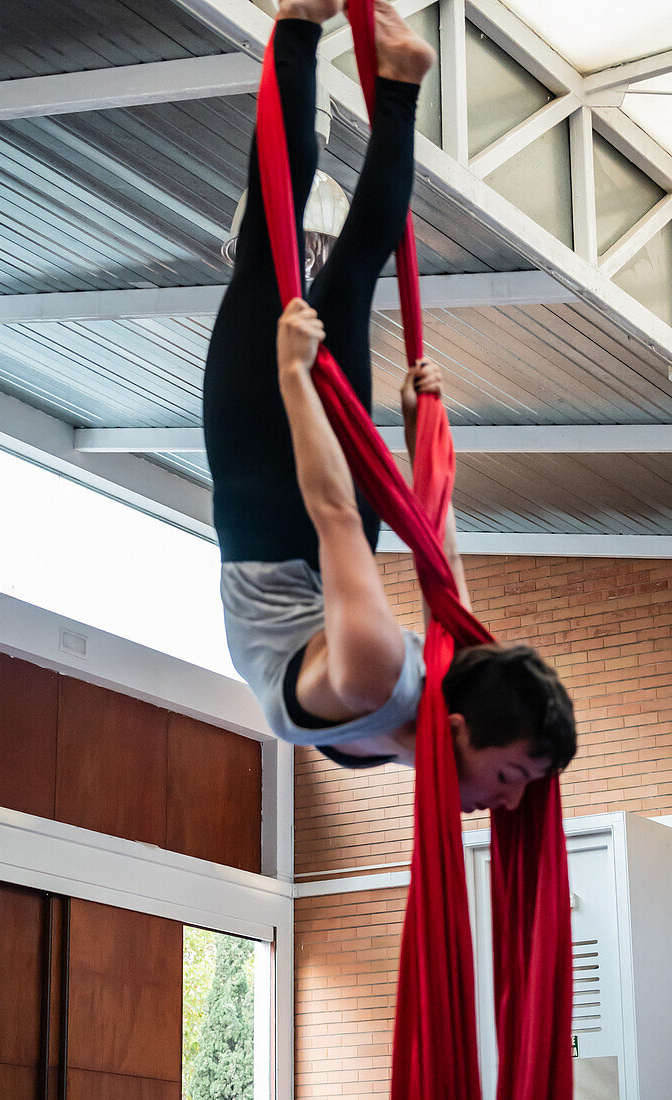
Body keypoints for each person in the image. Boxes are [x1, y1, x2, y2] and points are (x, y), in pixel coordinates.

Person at [203, 0, 576, 811]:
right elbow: (343, 519)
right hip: (279, 514)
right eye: (513, 779)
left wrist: (408, 447)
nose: (506, 804)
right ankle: (300, 25)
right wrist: (299, 381)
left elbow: (419, 551)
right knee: (274, 245)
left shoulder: (444, 675)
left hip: (324, 519)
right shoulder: (378, 677)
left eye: (513, 780)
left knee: (354, 266)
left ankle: (397, 83)